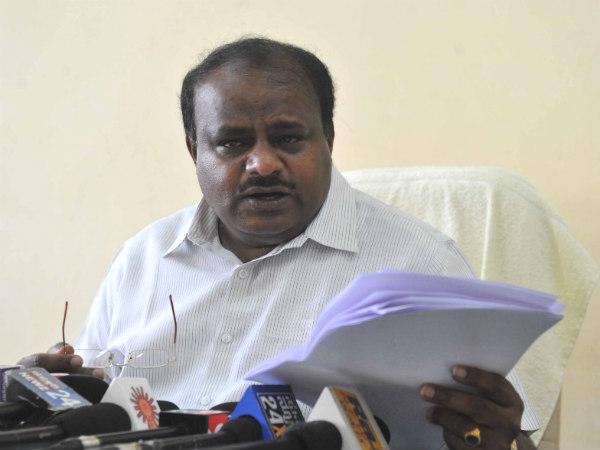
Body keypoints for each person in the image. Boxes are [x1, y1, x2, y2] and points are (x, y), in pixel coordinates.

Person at [19, 38, 536, 449]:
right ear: (194, 151)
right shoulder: (143, 258)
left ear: (328, 139)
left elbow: (498, 433)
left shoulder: (420, 264)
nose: (262, 164)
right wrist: (50, 397)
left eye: (288, 138)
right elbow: (101, 407)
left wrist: (494, 443)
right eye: (232, 143)